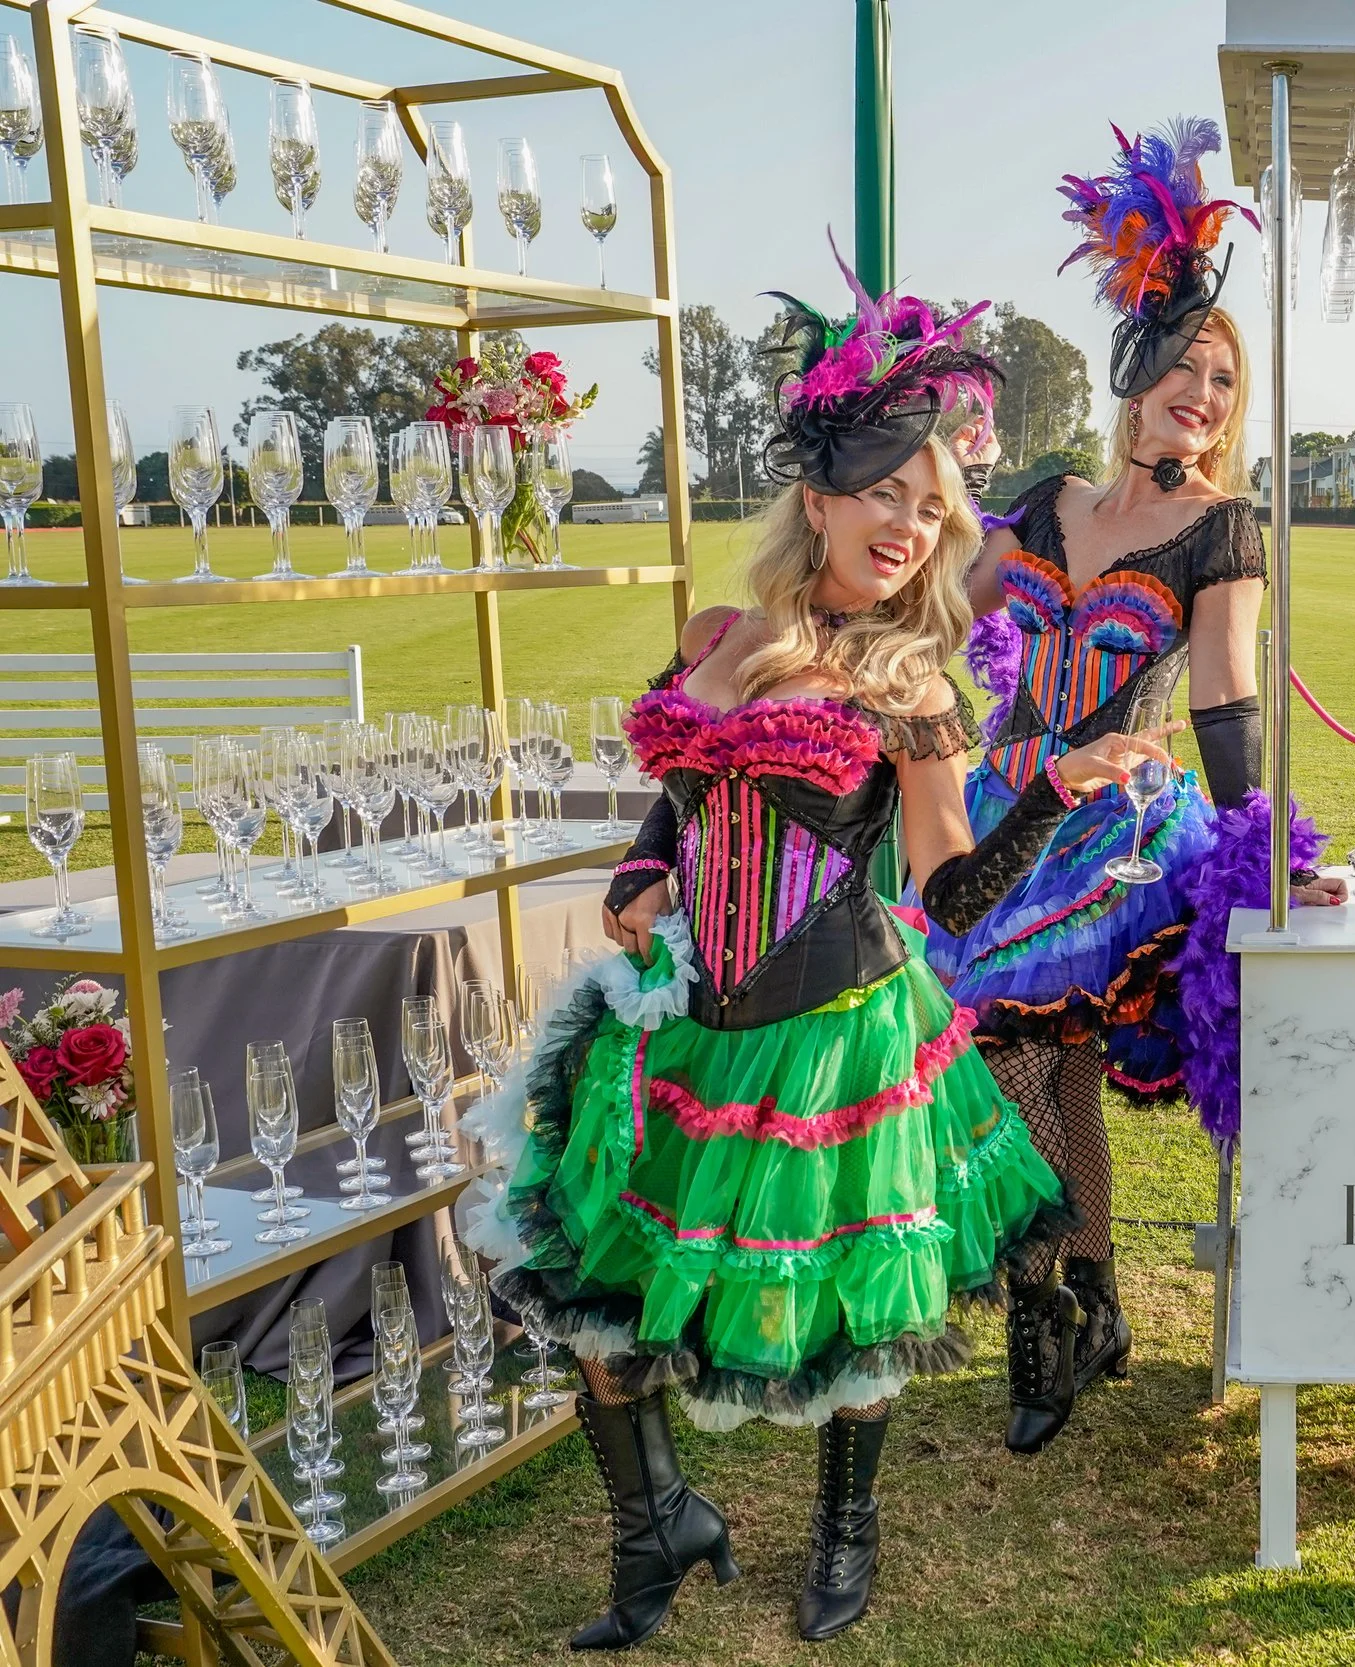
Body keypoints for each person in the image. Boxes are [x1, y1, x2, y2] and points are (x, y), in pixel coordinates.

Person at [461, 264, 1168, 1646]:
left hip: (835, 1023)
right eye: (888, 495)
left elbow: (953, 890)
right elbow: (684, 784)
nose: (910, 527)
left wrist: (1058, 786)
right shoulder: (720, 639)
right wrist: (645, 857)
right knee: (603, 1286)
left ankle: (847, 1533)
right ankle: (656, 1521)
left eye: (932, 504)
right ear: (824, 497)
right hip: (683, 1017)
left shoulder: (913, 685)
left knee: (849, 1304)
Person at [920, 116, 1338, 1457]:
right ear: (1135, 371)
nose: (1203, 395)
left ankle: (1056, 1312)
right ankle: (1084, 1303)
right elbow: (939, 614)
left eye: (1223, 380)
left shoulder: (1222, 526)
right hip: (997, 813)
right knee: (1042, 1083)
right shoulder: (1046, 502)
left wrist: (1256, 834)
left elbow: (1224, 687)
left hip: (1112, 834)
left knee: (1035, 1066)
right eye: (1184, 369)